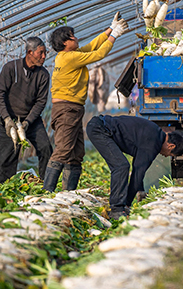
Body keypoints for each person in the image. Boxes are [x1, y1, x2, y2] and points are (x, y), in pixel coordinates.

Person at [44, 14, 127, 192]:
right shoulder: (68, 58)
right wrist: (115, 36)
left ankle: (68, 193)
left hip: (72, 109)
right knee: (64, 150)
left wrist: (110, 29)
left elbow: (91, 46)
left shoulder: (69, 55)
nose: (77, 38)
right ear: (65, 43)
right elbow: (98, 53)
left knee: (75, 153)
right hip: (66, 109)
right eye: (73, 37)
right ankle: (47, 192)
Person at [85, 114, 183, 220]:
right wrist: (127, 203)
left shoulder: (155, 133)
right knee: (121, 166)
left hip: (99, 124)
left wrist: (140, 190)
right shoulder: (153, 144)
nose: (166, 155)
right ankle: (117, 209)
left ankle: (119, 206)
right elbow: (138, 173)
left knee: (122, 165)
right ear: (171, 146)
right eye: (170, 154)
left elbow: (139, 165)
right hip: (100, 129)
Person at [0, 37, 53, 183]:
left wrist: (27, 123)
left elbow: (40, 102)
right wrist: (6, 119)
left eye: (45, 53)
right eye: (41, 53)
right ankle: (5, 189)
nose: (44, 56)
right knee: (8, 156)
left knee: (46, 148)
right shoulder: (10, 68)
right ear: (30, 52)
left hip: (30, 120)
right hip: (10, 120)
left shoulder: (43, 74)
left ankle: (47, 184)